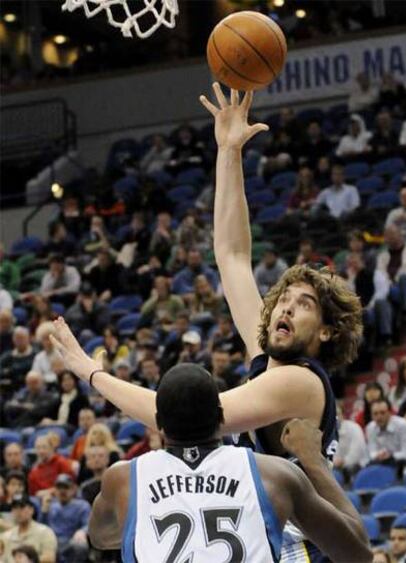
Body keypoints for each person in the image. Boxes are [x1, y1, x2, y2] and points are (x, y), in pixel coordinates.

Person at [50, 86, 365, 560]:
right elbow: (233, 256)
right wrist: (229, 151)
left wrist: (89, 371)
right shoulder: (269, 364)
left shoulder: (300, 383)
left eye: (303, 305)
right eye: (284, 299)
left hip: (300, 551)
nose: (283, 308)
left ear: (326, 332)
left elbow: (184, 413)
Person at [87, 365, 371, 562]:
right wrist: (315, 461)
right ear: (223, 416)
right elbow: (357, 554)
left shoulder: (123, 480)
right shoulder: (275, 475)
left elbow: (99, 538)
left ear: (158, 423)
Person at [39, 474, 90, 563]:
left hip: (71, 542)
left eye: (66, 487)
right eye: (59, 488)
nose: (62, 491)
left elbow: (88, 524)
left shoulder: (82, 505)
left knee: (80, 546)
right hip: (52, 543)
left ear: (73, 489)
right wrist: (44, 512)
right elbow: (41, 528)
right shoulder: (50, 505)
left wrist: (82, 531)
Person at [0, 494, 57, 563]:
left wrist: (29, 561)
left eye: (22, 507)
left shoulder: (45, 532)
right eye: (15, 508)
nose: (18, 511)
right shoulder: (6, 536)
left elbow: (50, 558)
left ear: (31, 510)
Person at [366, 399, 406, 469]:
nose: (379, 417)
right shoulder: (370, 427)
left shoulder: (403, 425)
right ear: (371, 416)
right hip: (381, 462)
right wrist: (378, 455)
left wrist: (391, 456)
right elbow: (371, 451)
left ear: (389, 413)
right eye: (375, 414)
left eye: (382, 413)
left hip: (404, 463)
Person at [334, 403, 368, 476]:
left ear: (343, 415)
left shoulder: (354, 428)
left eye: (337, 414)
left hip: (358, 465)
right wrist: (335, 462)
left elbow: (357, 451)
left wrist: (344, 461)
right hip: (337, 467)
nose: (335, 417)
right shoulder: (327, 433)